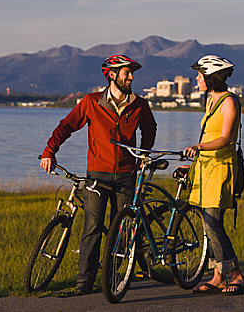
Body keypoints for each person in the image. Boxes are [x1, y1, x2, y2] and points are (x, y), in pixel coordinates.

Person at [40, 54, 157, 295]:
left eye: (132, 73)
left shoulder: (140, 105)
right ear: (112, 75)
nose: (131, 77)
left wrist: (143, 155)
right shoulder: (92, 102)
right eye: (127, 73)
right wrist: (49, 151)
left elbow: (150, 128)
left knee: (123, 229)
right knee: (92, 227)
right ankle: (84, 281)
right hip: (97, 176)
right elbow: (66, 126)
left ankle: (112, 276)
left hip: (127, 175)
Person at [184, 55, 244, 295]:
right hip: (204, 168)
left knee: (213, 224)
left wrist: (199, 147)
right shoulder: (210, 100)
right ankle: (217, 276)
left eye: (200, 75)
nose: (196, 79)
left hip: (221, 169)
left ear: (211, 77)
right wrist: (193, 159)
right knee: (207, 225)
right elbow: (207, 135)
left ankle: (237, 276)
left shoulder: (229, 102)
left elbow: (225, 138)